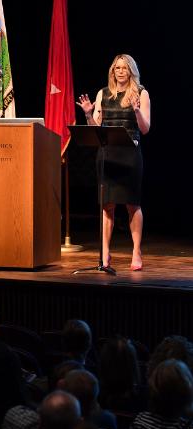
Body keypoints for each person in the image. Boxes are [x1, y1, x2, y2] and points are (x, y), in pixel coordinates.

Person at [76, 54, 150, 271]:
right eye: (117, 68)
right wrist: (89, 115)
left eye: (124, 68)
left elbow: (145, 128)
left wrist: (136, 110)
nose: (120, 71)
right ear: (112, 71)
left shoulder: (141, 93)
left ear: (131, 71)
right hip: (107, 154)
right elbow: (95, 128)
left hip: (130, 155)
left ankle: (136, 251)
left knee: (132, 204)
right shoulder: (103, 94)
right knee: (107, 205)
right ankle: (105, 252)